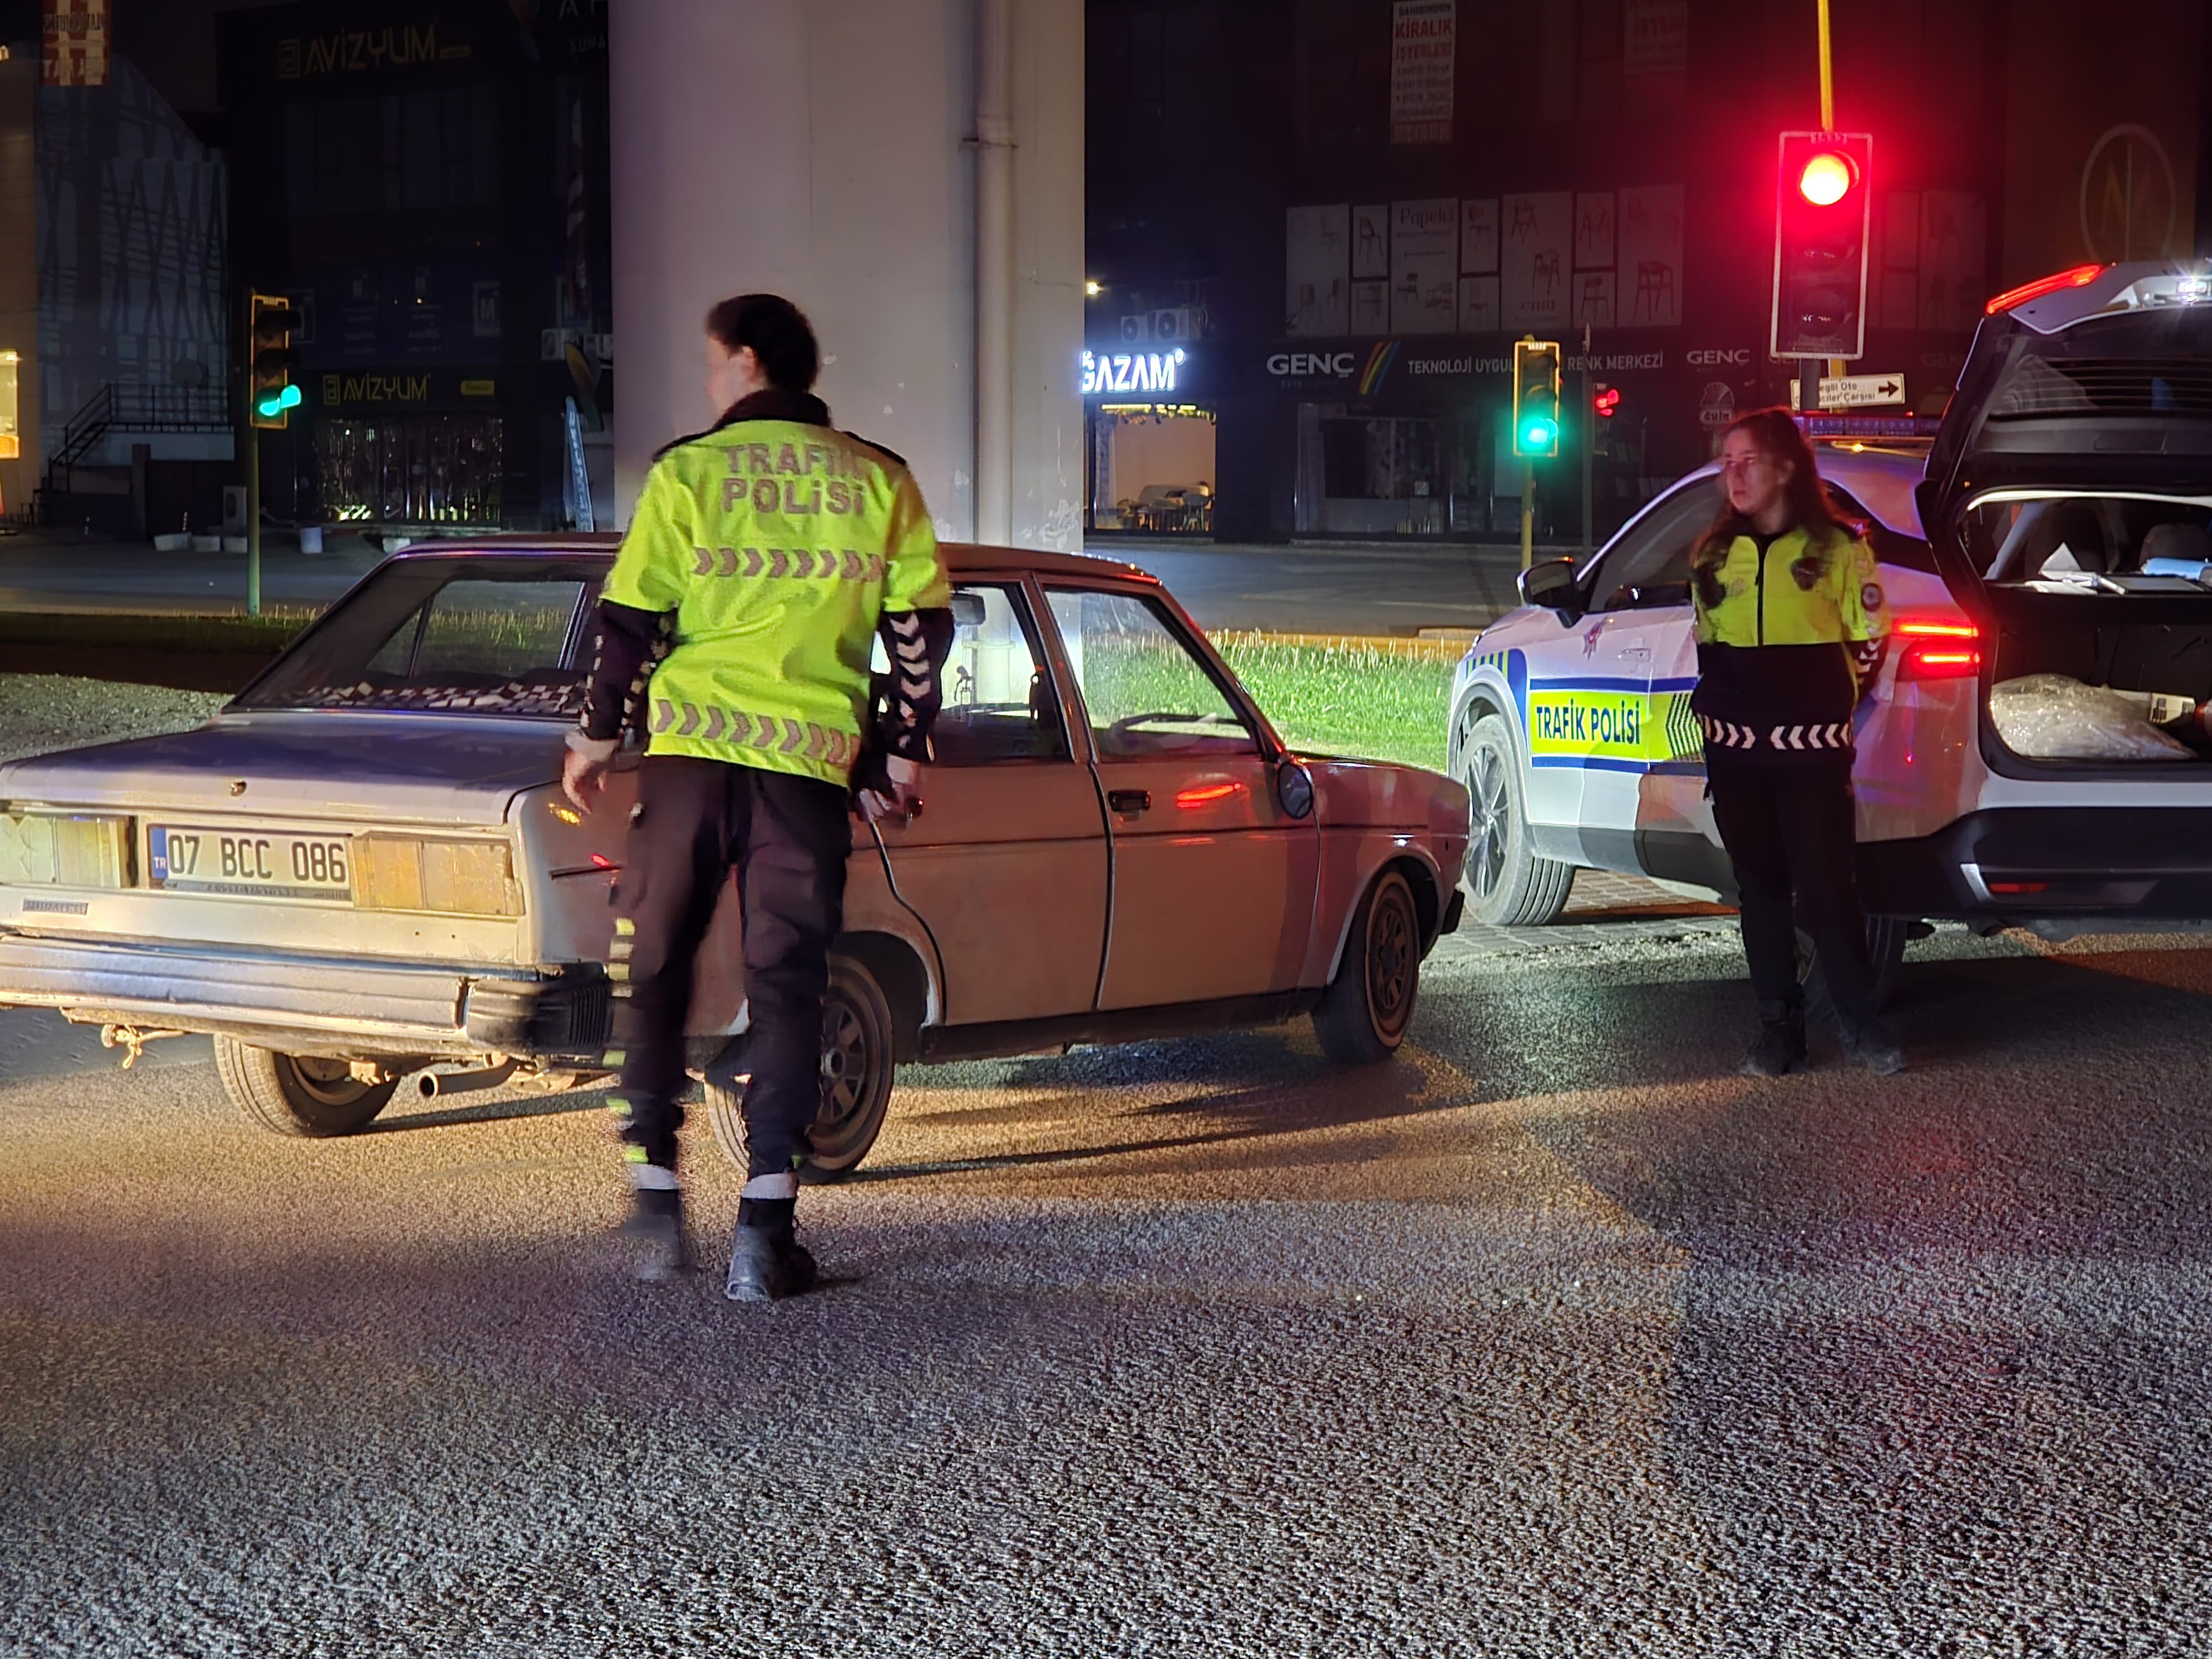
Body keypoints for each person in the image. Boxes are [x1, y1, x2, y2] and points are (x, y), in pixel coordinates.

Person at [563, 293, 953, 1299]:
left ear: (744, 364)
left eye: (709, 364)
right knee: (788, 989)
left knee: (653, 966)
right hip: (805, 779)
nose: (706, 382)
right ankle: (762, 1237)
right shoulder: (881, 480)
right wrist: (903, 757)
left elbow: (632, 620)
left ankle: (653, 1197)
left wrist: (597, 735)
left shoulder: (689, 473)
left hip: (690, 765)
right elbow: (918, 639)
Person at [1688, 408, 1905, 1077]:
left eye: (1747, 460)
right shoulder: (1713, 555)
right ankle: (1778, 1032)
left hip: (1810, 753)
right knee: (1760, 889)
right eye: (1726, 462)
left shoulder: (1838, 550)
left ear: (1785, 468)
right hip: (1735, 755)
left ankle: (1860, 1025)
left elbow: (1870, 642)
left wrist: (1825, 705)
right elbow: (1707, 647)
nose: (1734, 475)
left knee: (1826, 888)